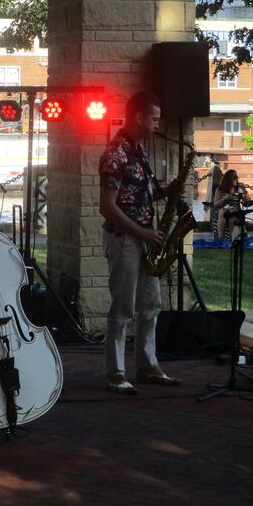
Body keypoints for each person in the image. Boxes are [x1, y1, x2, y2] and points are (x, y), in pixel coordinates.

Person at [98, 91, 181, 394]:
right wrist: (142, 232)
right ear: (139, 117)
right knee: (122, 307)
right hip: (125, 238)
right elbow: (106, 206)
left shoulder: (139, 150)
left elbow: (136, 195)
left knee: (151, 304)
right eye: (154, 119)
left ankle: (147, 365)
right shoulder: (115, 153)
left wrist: (167, 190)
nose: (157, 125)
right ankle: (115, 372)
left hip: (144, 237)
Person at [213, 169, 253, 240]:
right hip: (222, 211)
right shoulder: (220, 189)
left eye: (236, 177)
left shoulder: (239, 188)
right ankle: (220, 238)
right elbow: (215, 205)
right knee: (223, 212)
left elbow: (248, 202)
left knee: (233, 215)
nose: (236, 179)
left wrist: (244, 191)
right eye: (234, 178)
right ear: (228, 179)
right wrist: (224, 199)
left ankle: (232, 238)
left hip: (235, 211)